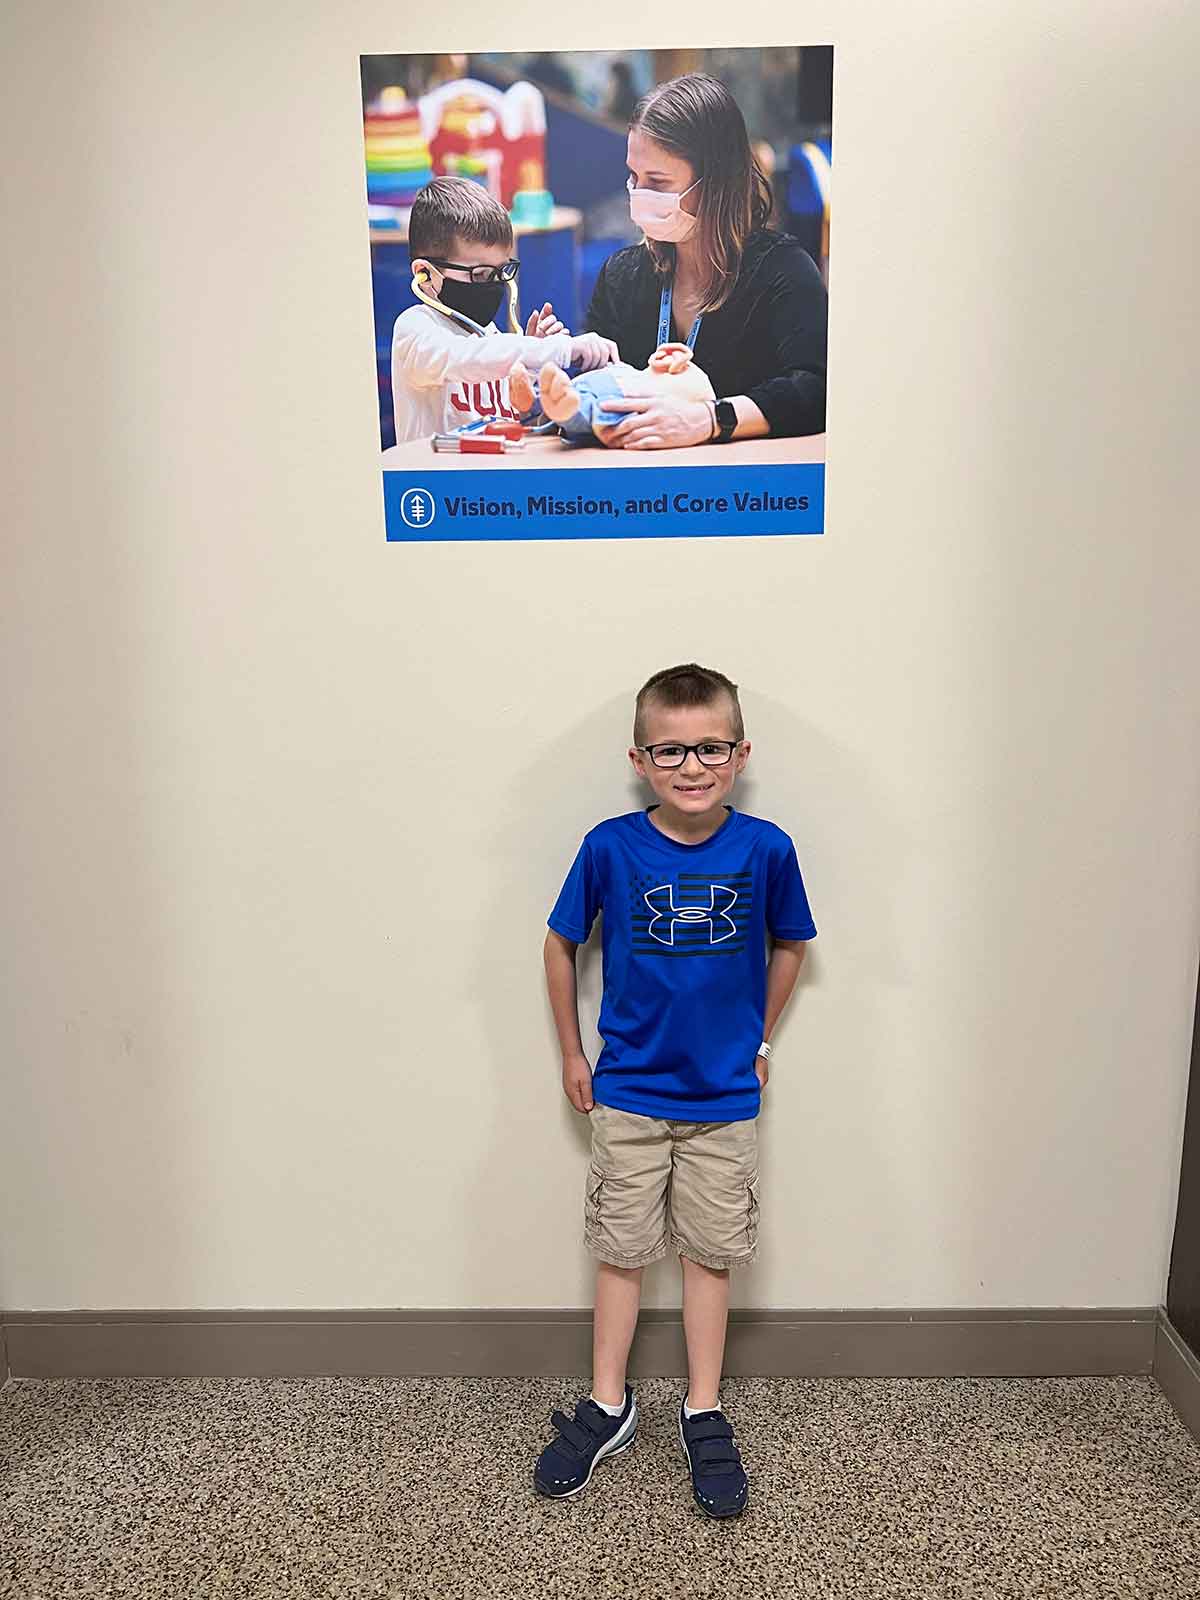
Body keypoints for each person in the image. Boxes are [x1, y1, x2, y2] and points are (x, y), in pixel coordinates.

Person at [534, 663, 816, 1518]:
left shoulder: (766, 849)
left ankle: (703, 1408)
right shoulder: (609, 846)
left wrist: (760, 1042)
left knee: (708, 1256)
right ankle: (609, 1403)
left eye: (710, 748)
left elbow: (791, 946)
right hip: (627, 1093)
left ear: (740, 754)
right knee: (620, 1252)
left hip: (722, 1102)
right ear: (640, 759)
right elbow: (559, 944)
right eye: (670, 750)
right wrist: (572, 1053)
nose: (692, 766)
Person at [585, 73, 828, 448]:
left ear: (715, 183)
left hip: (744, 481)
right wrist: (562, 363)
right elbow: (599, 387)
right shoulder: (621, 275)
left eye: (658, 181)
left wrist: (710, 419)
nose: (639, 193)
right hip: (635, 477)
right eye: (634, 176)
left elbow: (816, 390)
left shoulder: (783, 270)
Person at [390, 177, 617, 444]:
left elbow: (516, 421)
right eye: (480, 274)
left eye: (500, 272)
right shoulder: (415, 329)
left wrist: (534, 371)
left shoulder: (491, 336)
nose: (494, 284)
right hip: (437, 472)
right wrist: (557, 349)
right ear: (425, 273)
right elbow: (466, 357)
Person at [507, 340, 714, 446]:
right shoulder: (629, 371)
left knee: (582, 410)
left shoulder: (638, 401)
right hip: (577, 391)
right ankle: (533, 399)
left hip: (597, 406)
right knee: (557, 400)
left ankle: (555, 406)